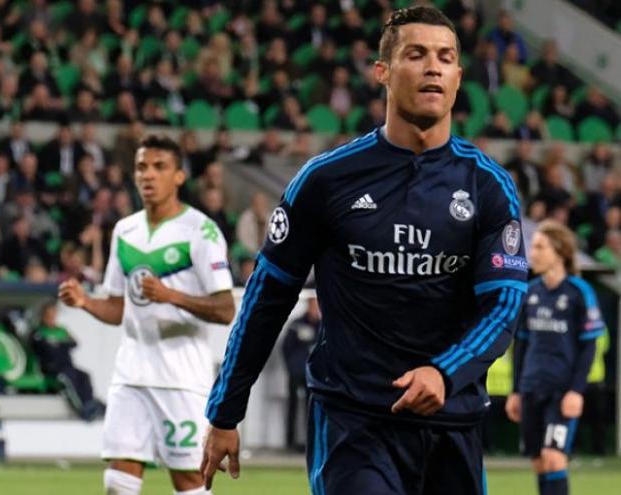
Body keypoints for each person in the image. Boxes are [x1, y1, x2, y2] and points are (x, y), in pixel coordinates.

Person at [202, 7, 527, 495]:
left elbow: (503, 306)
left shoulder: (489, 187)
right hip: (353, 423)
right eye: (416, 55)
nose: (433, 67)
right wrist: (225, 410)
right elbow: (267, 296)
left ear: (459, 77)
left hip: (453, 420)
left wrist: (445, 372)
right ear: (383, 71)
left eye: (446, 57)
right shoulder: (325, 180)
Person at [58, 134, 235, 495]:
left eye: (159, 167)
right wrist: (86, 302)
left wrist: (172, 295)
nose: (148, 175)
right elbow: (118, 308)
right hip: (131, 373)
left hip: (181, 377)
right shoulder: (125, 231)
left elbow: (225, 309)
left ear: (179, 177)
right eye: (142, 167)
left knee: (188, 480)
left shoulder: (200, 231)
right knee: (118, 480)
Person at [505, 221, 605, 495]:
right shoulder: (531, 292)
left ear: (559, 251)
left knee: (554, 457)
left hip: (561, 391)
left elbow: (588, 347)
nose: (532, 253)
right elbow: (521, 346)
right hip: (531, 387)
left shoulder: (579, 292)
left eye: (539, 247)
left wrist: (576, 391)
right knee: (538, 461)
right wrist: (516, 391)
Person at [30, 300, 104, 421]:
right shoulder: (38, 332)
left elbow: (73, 343)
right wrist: (60, 344)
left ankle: (90, 401)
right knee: (68, 378)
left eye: (53, 315)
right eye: (49, 315)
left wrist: (57, 344)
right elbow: (45, 348)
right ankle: (82, 407)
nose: (52, 318)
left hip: (67, 365)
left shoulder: (61, 330)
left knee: (84, 376)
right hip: (51, 368)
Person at [281, 296, 320, 451]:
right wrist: (291, 367)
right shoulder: (296, 324)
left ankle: (309, 442)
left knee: (310, 408)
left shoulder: (323, 325)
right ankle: (290, 442)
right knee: (292, 407)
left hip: (312, 375)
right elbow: (285, 347)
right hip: (296, 372)